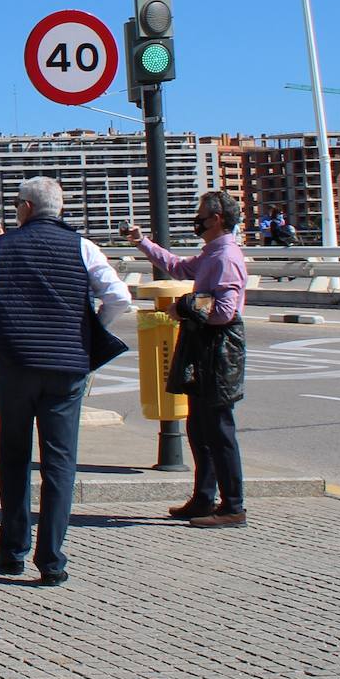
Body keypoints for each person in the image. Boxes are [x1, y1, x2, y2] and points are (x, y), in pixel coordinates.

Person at [0, 177, 131, 585]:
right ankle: (52, 561)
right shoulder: (82, 247)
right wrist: (87, 337)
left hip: (14, 366)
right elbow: (120, 298)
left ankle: (12, 552)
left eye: (17, 204)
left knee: (14, 457)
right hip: (67, 369)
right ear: (61, 209)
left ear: (26, 208)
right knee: (59, 463)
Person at [125, 190, 248, 528]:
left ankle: (233, 506)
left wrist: (182, 307)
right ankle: (204, 497)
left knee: (219, 429)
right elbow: (178, 268)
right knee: (199, 427)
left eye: (201, 215)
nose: (197, 220)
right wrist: (142, 243)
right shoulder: (212, 252)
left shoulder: (226, 256)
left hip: (219, 349)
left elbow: (223, 312)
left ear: (217, 219)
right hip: (204, 345)